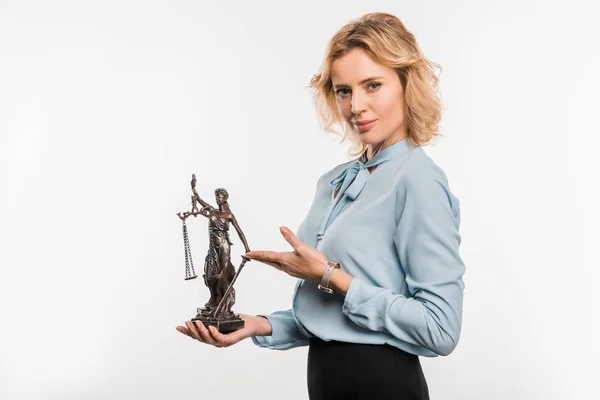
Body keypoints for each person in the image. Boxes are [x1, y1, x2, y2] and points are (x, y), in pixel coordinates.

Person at [176, 12, 465, 400]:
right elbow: (336, 317)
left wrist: (329, 275)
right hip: (328, 382)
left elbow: (440, 329)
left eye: (372, 85)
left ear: (406, 83)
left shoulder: (418, 180)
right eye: (343, 90)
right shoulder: (334, 180)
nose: (356, 106)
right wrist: (258, 325)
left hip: (385, 385)